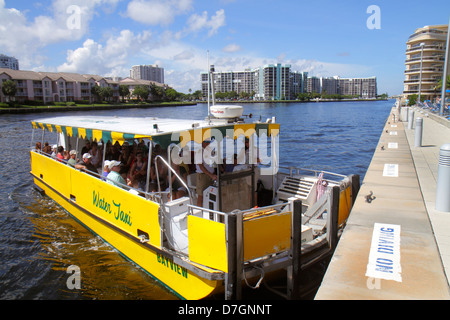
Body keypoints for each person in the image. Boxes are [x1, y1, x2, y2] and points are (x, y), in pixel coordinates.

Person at [196, 140, 217, 207]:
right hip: (203, 176)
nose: (208, 144)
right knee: (201, 196)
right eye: (206, 142)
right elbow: (201, 166)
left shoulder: (210, 151)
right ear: (202, 143)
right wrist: (211, 175)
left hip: (211, 175)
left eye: (209, 142)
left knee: (210, 195)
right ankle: (199, 213)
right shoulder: (199, 152)